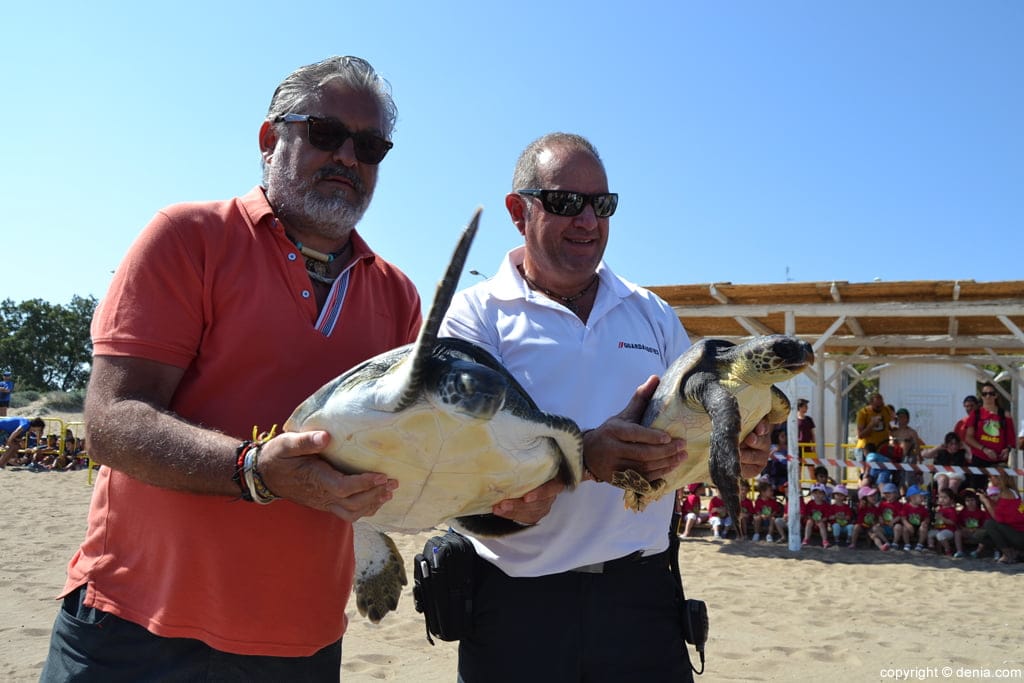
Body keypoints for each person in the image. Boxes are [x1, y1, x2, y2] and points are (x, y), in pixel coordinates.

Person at [39, 56, 421, 681]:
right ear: (272, 138)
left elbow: (407, 454)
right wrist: (253, 471)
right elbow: (110, 420)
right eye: (326, 134)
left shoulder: (398, 295)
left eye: (370, 146)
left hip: (301, 641)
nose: (349, 158)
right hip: (137, 625)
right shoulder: (187, 238)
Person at [437, 132, 771, 683]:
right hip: (516, 609)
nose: (588, 221)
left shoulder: (653, 314)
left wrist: (732, 450)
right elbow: (463, 458)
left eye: (603, 204)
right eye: (566, 202)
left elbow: (691, 437)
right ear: (518, 212)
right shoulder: (475, 318)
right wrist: (586, 455)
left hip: (641, 599)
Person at [963, 382, 1016, 491]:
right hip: (979, 457)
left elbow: (1011, 439)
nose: (988, 396)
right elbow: (968, 437)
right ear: (981, 396)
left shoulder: (1005, 414)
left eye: (991, 393)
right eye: (984, 394)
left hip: (999, 459)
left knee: (1001, 490)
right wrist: (984, 449)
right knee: (978, 491)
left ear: (996, 395)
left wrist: (1007, 449)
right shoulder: (976, 414)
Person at [977, 474, 1024, 564]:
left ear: (1000, 478)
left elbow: (997, 518)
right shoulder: (1011, 491)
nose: (990, 478)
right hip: (1017, 531)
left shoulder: (1005, 493)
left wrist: (986, 501)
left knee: (989, 524)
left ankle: (1007, 555)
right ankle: (1013, 553)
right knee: (986, 532)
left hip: (1019, 535)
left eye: (992, 476)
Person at [855, 393, 895, 459]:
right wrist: (871, 425)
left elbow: (888, 425)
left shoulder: (887, 410)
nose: (880, 408)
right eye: (877, 406)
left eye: (882, 405)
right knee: (867, 468)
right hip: (865, 449)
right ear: (871, 403)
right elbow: (860, 435)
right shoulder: (864, 413)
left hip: (882, 449)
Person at [956, 489, 989, 558]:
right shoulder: (962, 513)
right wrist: (964, 529)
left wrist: (977, 529)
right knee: (957, 532)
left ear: (976, 501)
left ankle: (977, 551)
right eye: (967, 500)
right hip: (966, 532)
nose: (970, 502)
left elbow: (984, 525)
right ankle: (959, 551)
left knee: (985, 533)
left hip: (977, 532)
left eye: (972, 500)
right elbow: (958, 524)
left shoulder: (981, 513)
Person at [899, 484, 929, 552]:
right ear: (912, 497)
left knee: (924, 528)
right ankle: (907, 544)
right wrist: (907, 525)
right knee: (904, 529)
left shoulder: (923, 508)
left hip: (919, 527)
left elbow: (926, 517)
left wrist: (924, 522)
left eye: (924, 497)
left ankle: (920, 544)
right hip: (909, 526)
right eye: (921, 497)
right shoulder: (906, 506)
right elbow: (903, 518)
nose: (923, 499)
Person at [928, 488, 958, 556]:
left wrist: (942, 518)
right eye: (940, 497)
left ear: (951, 499)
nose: (942, 499)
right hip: (939, 528)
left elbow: (952, 522)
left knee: (940, 535)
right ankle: (931, 547)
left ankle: (947, 550)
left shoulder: (951, 510)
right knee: (930, 533)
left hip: (949, 530)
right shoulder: (939, 509)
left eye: (945, 497)